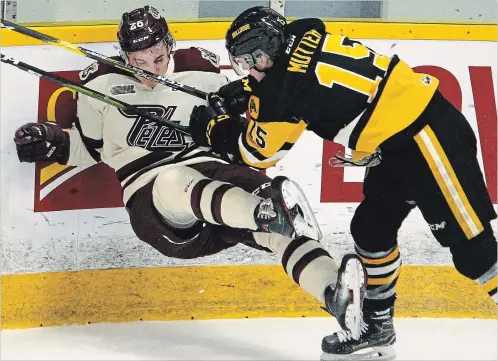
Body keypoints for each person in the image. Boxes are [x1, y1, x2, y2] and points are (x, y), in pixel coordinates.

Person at [12, 5, 368, 344]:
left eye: (157, 58)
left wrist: (231, 118)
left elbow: (242, 129)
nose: (149, 71)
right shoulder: (100, 85)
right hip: (156, 206)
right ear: (123, 55)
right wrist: (56, 143)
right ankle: (264, 213)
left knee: (279, 227)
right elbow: (93, 150)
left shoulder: (202, 71)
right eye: (137, 63)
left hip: (218, 180)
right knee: (172, 182)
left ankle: (335, 296)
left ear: (170, 46)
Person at [189, 6, 498, 361]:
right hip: (396, 143)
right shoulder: (305, 33)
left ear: (262, 55)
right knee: (370, 230)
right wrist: (239, 92)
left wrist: (214, 129)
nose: (246, 68)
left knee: (475, 253)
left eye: (247, 61)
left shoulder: (283, 96)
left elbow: (257, 154)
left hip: (428, 136)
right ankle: (377, 329)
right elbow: (288, 78)